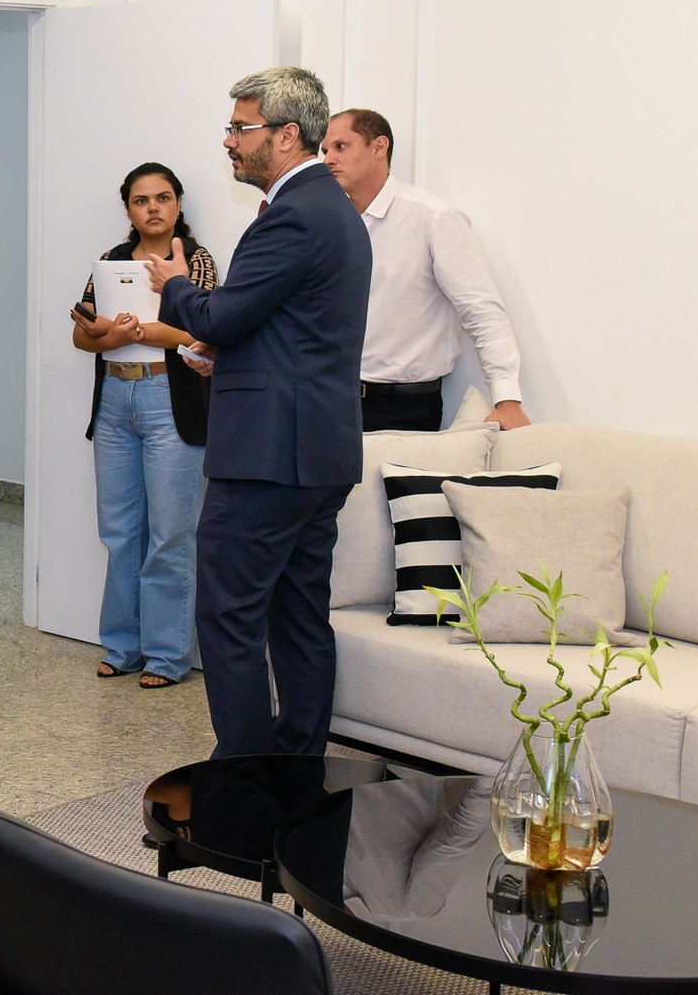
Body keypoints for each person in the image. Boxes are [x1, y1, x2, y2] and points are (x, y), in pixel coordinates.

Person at [143, 67, 370, 757]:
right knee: (299, 616)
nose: (230, 141)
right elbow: (285, 331)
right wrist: (227, 355)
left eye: (241, 128)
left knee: (229, 615)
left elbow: (226, 310)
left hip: (271, 455)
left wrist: (176, 286)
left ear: (286, 134)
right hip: (314, 450)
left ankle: (243, 778)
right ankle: (296, 769)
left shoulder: (295, 212)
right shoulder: (332, 208)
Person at [72, 162, 214, 689]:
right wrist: (109, 337)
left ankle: (166, 656)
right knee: (119, 530)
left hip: (167, 398)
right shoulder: (109, 262)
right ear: (128, 209)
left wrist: (154, 332)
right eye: (140, 200)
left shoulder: (194, 262)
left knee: (171, 533)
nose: (152, 207)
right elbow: (82, 332)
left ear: (178, 203)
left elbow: (208, 325)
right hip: (114, 398)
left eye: (162, 197)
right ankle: (122, 646)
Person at [321, 108, 530, 432]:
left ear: (379, 147)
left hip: (404, 408)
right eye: (325, 150)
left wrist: (507, 400)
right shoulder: (330, 222)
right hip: (331, 398)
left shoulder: (434, 218)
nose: (328, 159)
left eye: (340, 147)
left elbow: (482, 311)